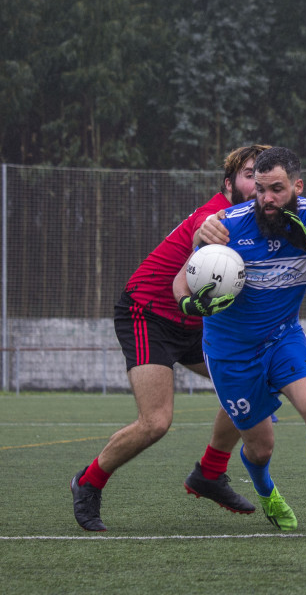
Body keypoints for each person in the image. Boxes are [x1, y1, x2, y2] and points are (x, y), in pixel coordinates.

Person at [70, 145, 271, 532]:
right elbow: (204, 230)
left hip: (194, 324)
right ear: (229, 184)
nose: (257, 182)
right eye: (249, 173)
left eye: (263, 176)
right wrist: (204, 233)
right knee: (156, 422)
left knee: (248, 383)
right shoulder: (217, 217)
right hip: (148, 314)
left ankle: (209, 474)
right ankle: (88, 481)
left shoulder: (257, 221)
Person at [174, 146, 306, 534]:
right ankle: (265, 490)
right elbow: (183, 277)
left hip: (283, 337)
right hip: (231, 350)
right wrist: (188, 305)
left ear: (297, 186)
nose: (266, 199)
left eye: (277, 189)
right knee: (261, 448)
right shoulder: (227, 224)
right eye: (260, 189)